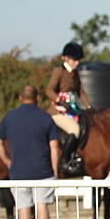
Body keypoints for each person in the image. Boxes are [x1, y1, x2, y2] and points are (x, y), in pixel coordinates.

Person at [0, 84, 61, 219]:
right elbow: (54, 147)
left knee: (23, 207)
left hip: (18, 172)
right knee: (41, 206)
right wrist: (55, 169)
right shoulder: (46, 118)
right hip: (43, 170)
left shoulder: (10, 117)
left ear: (20, 98)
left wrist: (7, 161)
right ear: (37, 98)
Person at [45, 41, 93, 175]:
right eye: (75, 60)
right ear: (66, 58)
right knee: (75, 129)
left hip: (71, 108)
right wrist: (58, 99)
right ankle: (64, 162)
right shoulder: (58, 71)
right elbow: (49, 90)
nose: (77, 63)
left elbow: (80, 92)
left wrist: (89, 106)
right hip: (57, 110)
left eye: (78, 60)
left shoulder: (75, 73)